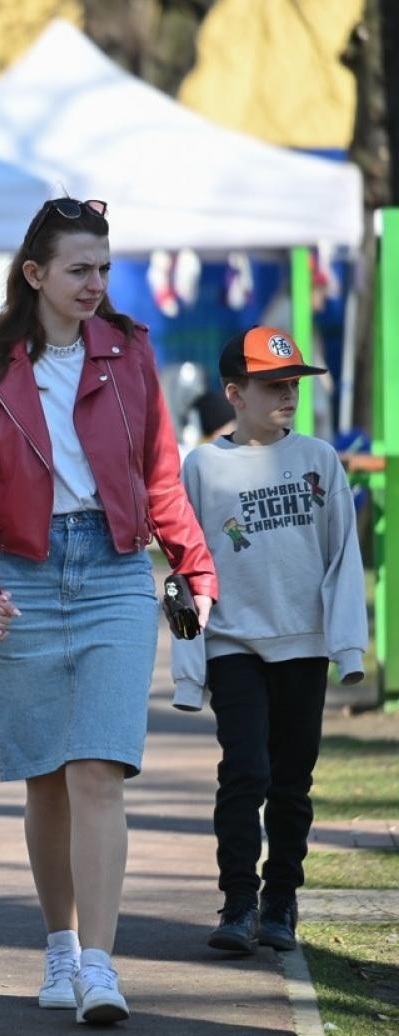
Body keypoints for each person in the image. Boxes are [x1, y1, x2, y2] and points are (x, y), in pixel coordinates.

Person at [0, 196, 217, 1026]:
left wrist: (192, 561)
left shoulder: (130, 350)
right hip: (21, 579)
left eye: (103, 266)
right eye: (79, 269)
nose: (97, 282)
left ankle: (99, 964)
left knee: (98, 767)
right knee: (46, 781)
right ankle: (57, 948)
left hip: (114, 572)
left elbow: (159, 471)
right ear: (35, 274)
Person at [171, 327, 367, 955]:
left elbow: (344, 557)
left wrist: (348, 649)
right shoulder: (202, 466)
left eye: (293, 384)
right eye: (272, 385)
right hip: (234, 643)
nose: (288, 395)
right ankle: (237, 903)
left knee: (291, 780)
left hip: (304, 645)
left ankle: (281, 899)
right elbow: (183, 567)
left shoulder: (319, 459)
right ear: (234, 392)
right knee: (245, 772)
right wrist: (187, 662)